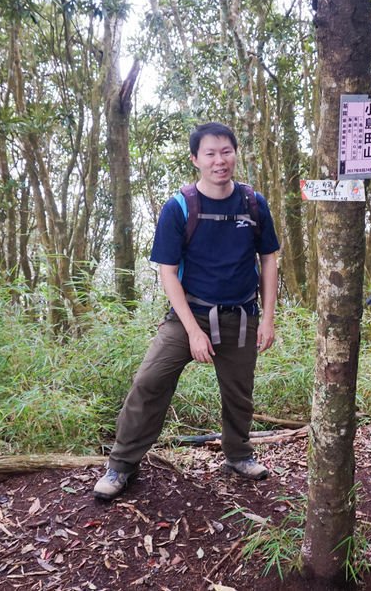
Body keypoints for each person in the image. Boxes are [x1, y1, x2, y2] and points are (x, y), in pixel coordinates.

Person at [94, 122, 280, 500]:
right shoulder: (180, 206)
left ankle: (238, 455)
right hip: (189, 314)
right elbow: (167, 271)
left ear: (235, 153)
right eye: (210, 153)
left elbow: (269, 260)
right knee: (149, 381)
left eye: (226, 151)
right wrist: (193, 331)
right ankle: (122, 464)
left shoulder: (253, 204)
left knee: (239, 391)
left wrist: (268, 318)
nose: (219, 160)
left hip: (242, 315)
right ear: (195, 159)